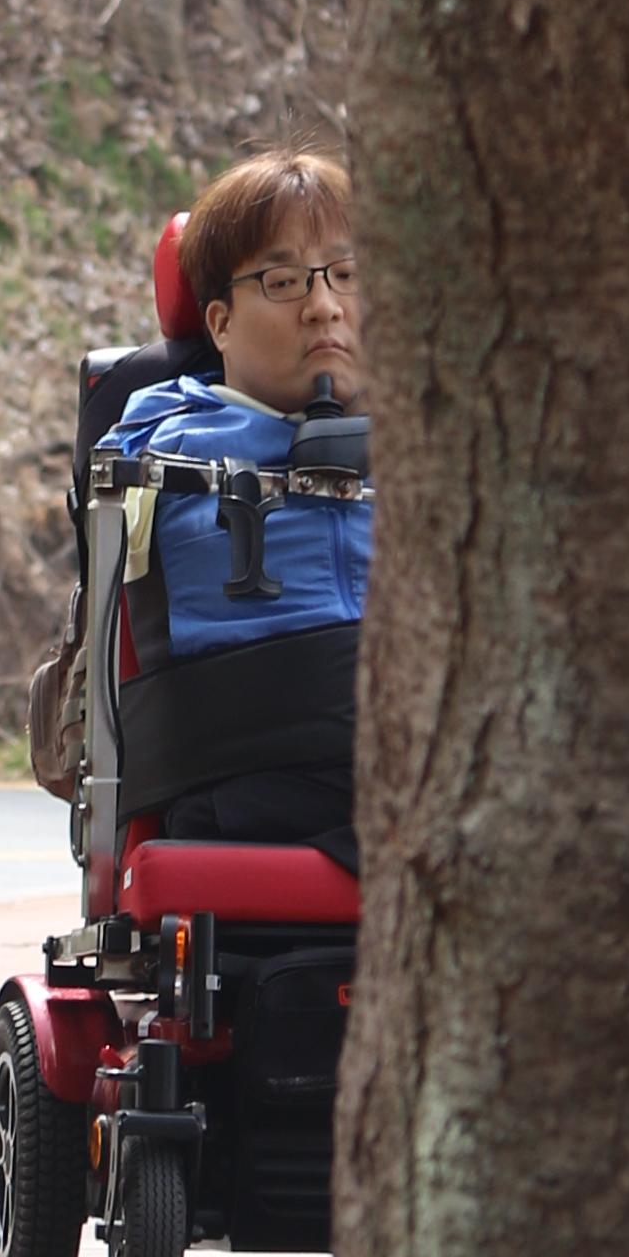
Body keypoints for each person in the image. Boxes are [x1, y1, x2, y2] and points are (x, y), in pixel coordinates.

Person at [107, 151, 370, 860]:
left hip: (421, 771)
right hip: (245, 792)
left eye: (348, 276)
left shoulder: (444, 440)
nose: (325, 306)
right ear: (219, 323)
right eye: (283, 282)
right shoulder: (156, 440)